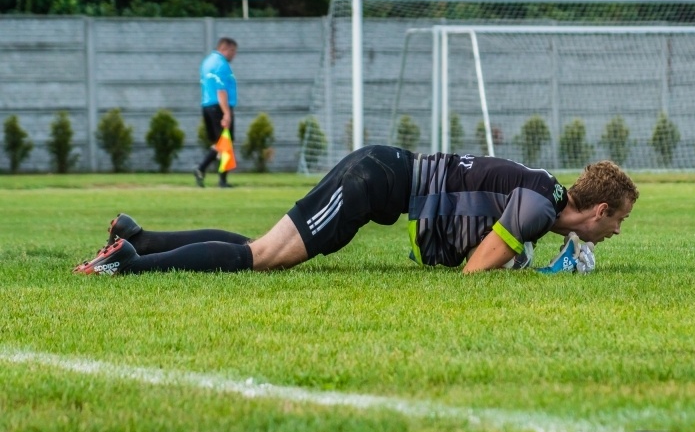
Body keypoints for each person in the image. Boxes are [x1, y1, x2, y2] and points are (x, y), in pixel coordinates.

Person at [73, 145, 639, 276]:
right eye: (620, 220)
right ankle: (130, 263)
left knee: (262, 242)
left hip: (379, 174)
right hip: (374, 180)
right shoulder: (541, 204)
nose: (618, 231)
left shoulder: (544, 192)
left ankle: (139, 238)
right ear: (601, 210)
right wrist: (542, 271)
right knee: (265, 256)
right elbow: (474, 270)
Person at [195, 37, 238, 188]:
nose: (234, 55)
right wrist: (226, 113)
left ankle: (201, 169)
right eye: (233, 51)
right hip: (219, 107)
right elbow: (221, 90)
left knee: (219, 144)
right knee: (226, 143)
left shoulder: (207, 62)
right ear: (225, 48)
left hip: (206, 105)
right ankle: (221, 180)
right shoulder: (221, 64)